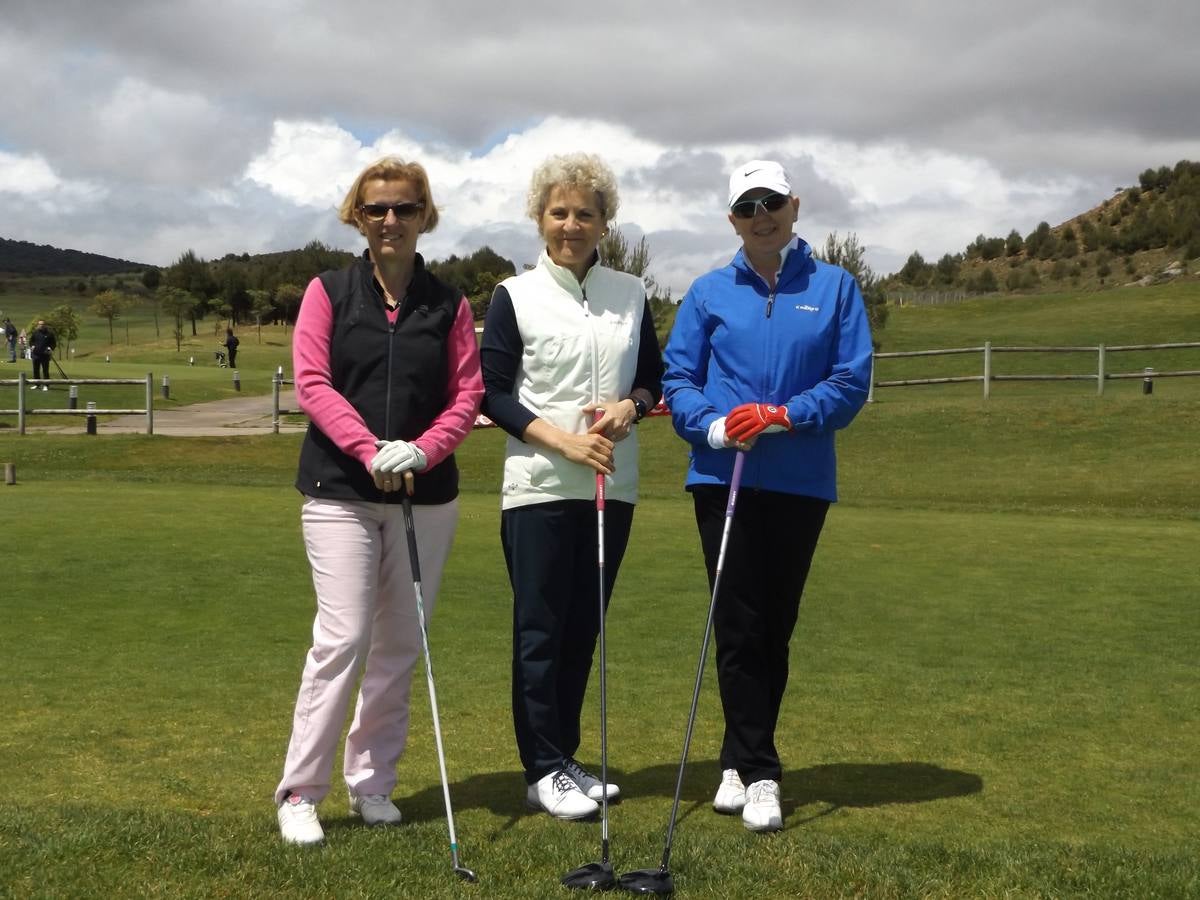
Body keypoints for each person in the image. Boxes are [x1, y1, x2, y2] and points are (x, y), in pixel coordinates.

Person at [274, 157, 483, 846]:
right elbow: (313, 382)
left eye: (404, 208)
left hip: (426, 495)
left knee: (400, 644)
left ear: (425, 215)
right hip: (340, 491)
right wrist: (370, 449)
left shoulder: (448, 303)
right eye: (376, 209)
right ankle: (301, 790)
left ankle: (374, 783)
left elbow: (467, 395)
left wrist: (424, 450)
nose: (390, 220)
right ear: (356, 217)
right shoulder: (328, 291)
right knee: (344, 637)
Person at [661, 159, 873, 833]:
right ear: (732, 219)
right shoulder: (707, 291)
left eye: (772, 201)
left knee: (774, 627)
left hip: (800, 478)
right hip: (723, 476)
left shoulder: (835, 287)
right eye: (748, 205)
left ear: (795, 205)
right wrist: (715, 425)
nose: (761, 214)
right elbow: (678, 377)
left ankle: (734, 753)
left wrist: (784, 415)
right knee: (737, 622)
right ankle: (759, 772)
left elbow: (849, 381)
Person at [481, 153, 663, 820]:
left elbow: (652, 377)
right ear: (540, 219)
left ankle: (563, 758)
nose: (571, 224)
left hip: (611, 487)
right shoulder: (513, 295)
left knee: (583, 627)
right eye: (559, 212)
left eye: (585, 213)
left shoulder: (631, 294)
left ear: (604, 223)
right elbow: (493, 395)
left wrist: (631, 409)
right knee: (540, 630)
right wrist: (563, 441)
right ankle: (540, 768)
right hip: (538, 486)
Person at [29, 320, 56, 390]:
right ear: (38, 325)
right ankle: (37, 384)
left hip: (45, 355)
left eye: (42, 324)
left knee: (45, 371)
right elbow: (31, 341)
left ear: (45, 325)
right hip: (36, 354)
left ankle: (46, 385)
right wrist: (32, 346)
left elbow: (53, 343)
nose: (41, 325)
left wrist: (50, 348)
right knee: (36, 370)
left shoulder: (49, 333)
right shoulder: (35, 333)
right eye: (40, 324)